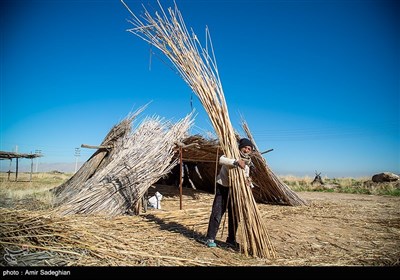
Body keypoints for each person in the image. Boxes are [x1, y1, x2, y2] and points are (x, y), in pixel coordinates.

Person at [205, 138, 255, 248]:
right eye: (245, 148)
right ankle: (210, 238)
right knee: (217, 212)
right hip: (223, 186)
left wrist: (249, 183)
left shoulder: (248, 162)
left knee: (235, 215)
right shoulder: (231, 153)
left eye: (249, 149)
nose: (246, 150)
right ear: (240, 147)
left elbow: (246, 176)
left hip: (236, 190)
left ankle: (231, 239)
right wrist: (236, 162)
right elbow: (222, 160)